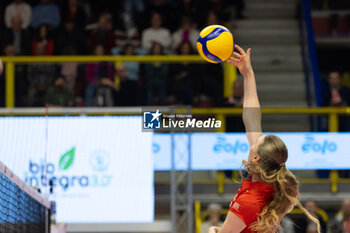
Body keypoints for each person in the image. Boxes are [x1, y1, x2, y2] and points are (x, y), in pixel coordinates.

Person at [208, 44, 320, 233]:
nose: (253, 139)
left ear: (257, 158)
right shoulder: (270, 184)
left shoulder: (250, 201)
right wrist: (248, 74)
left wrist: (213, 230)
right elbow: (251, 118)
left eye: (256, 143)